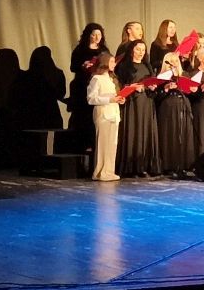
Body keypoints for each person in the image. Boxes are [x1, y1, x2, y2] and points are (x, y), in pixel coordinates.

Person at [114, 39, 158, 178]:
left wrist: (152, 87)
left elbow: (152, 84)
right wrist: (133, 87)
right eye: (138, 49)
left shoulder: (147, 66)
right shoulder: (124, 66)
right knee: (133, 132)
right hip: (132, 104)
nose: (141, 52)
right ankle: (130, 167)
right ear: (132, 50)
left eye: (143, 50)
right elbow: (120, 86)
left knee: (145, 132)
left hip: (146, 103)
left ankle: (143, 166)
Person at [153, 51, 195, 176]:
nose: (174, 64)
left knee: (184, 134)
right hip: (168, 108)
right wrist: (166, 89)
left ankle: (184, 164)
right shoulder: (162, 77)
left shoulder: (184, 74)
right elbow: (156, 97)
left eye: (176, 61)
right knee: (170, 135)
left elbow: (190, 92)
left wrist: (191, 89)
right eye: (171, 62)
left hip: (183, 105)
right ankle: (169, 165)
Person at [65, 23, 107, 148]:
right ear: (88, 35)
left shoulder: (104, 50)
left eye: (99, 34)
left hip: (99, 85)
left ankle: (95, 144)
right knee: (83, 115)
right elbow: (73, 67)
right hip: (83, 85)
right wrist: (83, 65)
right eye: (94, 34)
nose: (97, 37)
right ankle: (81, 144)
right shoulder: (80, 50)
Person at [85, 52, 121, 182]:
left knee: (112, 144)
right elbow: (91, 98)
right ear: (105, 62)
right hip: (103, 114)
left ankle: (109, 171)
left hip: (113, 113)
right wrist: (109, 99)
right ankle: (100, 172)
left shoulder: (111, 79)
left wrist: (118, 99)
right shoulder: (97, 79)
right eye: (111, 61)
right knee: (103, 144)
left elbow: (113, 97)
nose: (114, 64)